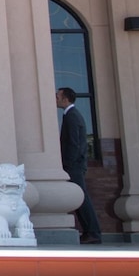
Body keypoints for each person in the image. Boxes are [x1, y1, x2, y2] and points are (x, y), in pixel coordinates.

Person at [57, 87, 102, 244]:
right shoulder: (71, 115)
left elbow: (74, 144)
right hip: (75, 165)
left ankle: (93, 232)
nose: (56, 99)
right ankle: (91, 232)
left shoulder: (72, 116)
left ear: (65, 99)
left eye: (58, 96)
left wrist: (67, 165)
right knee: (80, 198)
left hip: (74, 166)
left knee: (81, 199)